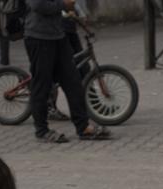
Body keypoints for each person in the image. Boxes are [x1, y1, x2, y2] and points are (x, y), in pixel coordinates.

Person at [25, 0, 109, 142]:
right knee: (42, 86)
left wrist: (76, 12)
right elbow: (38, 5)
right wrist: (64, 5)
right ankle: (42, 131)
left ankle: (83, 127)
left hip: (59, 36)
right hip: (39, 38)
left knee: (73, 82)